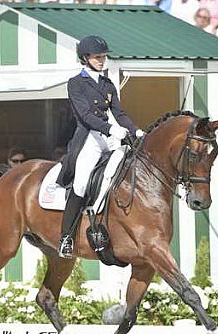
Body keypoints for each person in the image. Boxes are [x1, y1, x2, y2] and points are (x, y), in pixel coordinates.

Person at [56, 35, 143, 259]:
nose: (102, 60)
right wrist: (111, 129)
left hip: (109, 136)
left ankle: (101, 208)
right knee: (82, 183)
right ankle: (66, 237)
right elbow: (85, 116)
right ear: (85, 58)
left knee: (122, 166)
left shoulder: (107, 83)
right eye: (98, 57)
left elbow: (119, 113)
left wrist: (136, 130)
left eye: (104, 57)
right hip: (89, 138)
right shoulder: (76, 83)